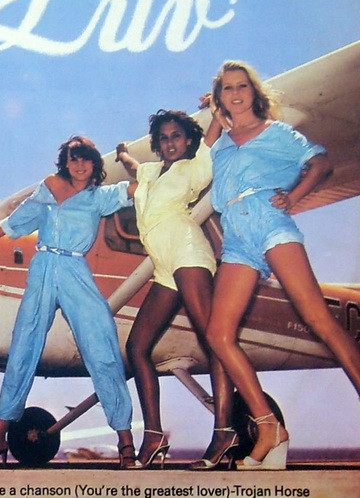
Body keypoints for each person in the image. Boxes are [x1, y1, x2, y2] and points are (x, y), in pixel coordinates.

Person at [204, 60, 360, 470]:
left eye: (242, 86)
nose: (236, 94)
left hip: (270, 223)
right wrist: (212, 115)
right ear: (220, 97)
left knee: (319, 321)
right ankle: (269, 427)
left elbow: (321, 163)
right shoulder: (222, 144)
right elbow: (199, 155)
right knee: (218, 334)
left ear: (254, 91)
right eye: (227, 88)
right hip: (236, 238)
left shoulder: (277, 133)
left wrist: (294, 197)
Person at [0, 136, 140, 469]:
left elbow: (139, 187)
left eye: (86, 158)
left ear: (95, 163)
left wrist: (126, 158)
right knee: (23, 349)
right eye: (73, 158)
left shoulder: (98, 197)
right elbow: (22, 216)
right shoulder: (49, 189)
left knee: (102, 348)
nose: (80, 164)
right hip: (43, 268)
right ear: (65, 162)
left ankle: (125, 441)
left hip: (76, 270)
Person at [116, 109, 235, 470]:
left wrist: (216, 111)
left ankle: (224, 432)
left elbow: (211, 138)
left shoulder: (193, 167)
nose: (170, 143)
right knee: (137, 347)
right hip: (163, 265)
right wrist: (122, 153)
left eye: (177, 137)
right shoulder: (151, 172)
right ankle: (153, 436)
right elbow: (134, 167)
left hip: (187, 252)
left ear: (188, 141)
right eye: (164, 138)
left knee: (213, 339)